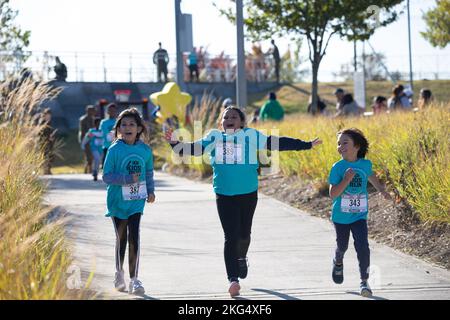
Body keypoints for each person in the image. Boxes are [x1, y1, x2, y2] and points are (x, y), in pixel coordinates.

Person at [164, 106, 322, 297]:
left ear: (241, 122)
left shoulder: (250, 135)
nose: (229, 119)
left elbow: (276, 142)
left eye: (233, 117)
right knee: (230, 236)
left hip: (247, 193)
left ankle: (241, 257)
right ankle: (233, 280)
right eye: (225, 117)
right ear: (221, 123)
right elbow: (193, 149)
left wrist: (305, 144)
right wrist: (175, 143)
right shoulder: (214, 137)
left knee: (244, 234)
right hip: (224, 194)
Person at [328, 128, 391, 298]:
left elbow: (371, 177)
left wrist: (382, 190)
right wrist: (346, 179)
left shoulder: (365, 164)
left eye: (345, 142)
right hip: (341, 216)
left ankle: (364, 281)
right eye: (338, 143)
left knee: (363, 247)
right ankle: (338, 260)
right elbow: (333, 194)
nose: (340, 146)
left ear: (357, 146)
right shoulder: (338, 167)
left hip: (359, 215)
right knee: (343, 245)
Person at [102, 108, 156, 295]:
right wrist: (126, 179)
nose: (127, 127)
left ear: (139, 128)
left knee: (134, 236)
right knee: (121, 238)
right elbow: (106, 176)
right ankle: (119, 273)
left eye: (132, 124)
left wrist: (151, 191)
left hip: (136, 200)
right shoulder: (115, 149)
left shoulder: (145, 150)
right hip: (117, 201)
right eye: (123, 124)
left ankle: (134, 279)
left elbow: (148, 172)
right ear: (118, 129)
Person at [38, 108, 57, 175]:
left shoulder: (50, 122)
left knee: (50, 156)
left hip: (50, 142)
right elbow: (40, 134)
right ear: (44, 115)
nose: (48, 117)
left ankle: (48, 169)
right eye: (47, 115)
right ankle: (45, 170)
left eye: (49, 115)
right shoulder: (42, 123)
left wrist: (52, 137)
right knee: (45, 156)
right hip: (44, 142)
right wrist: (47, 138)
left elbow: (51, 132)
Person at [78, 105, 96, 174]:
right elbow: (82, 131)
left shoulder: (93, 119)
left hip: (92, 139)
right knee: (88, 155)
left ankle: (87, 169)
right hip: (85, 139)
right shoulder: (83, 119)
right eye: (91, 110)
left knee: (91, 155)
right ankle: (89, 170)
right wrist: (83, 141)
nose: (93, 112)